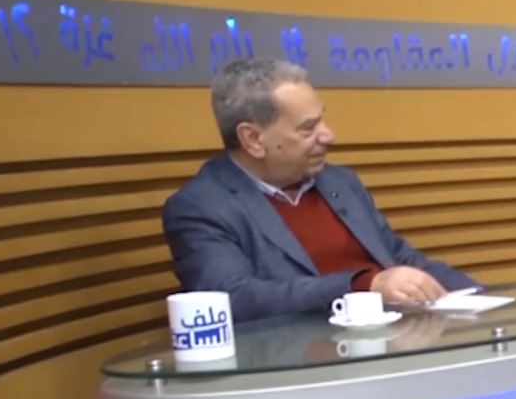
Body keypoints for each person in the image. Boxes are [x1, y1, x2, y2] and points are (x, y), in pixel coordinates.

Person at [162, 58, 476, 322]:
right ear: (253, 139)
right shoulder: (202, 207)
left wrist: (480, 297)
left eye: (321, 120)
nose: (328, 136)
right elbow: (233, 298)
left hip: (396, 341)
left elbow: (398, 256)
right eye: (308, 128)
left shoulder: (341, 182)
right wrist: (362, 288)